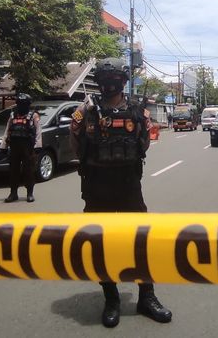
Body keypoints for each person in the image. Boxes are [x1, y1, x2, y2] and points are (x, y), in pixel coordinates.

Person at [69, 57, 172, 328]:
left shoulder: (139, 113)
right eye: (106, 79)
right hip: (96, 186)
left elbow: (143, 144)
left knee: (140, 242)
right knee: (101, 245)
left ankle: (147, 296)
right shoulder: (86, 110)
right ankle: (111, 298)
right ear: (100, 82)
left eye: (114, 79)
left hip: (128, 186)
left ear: (123, 82)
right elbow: (76, 143)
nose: (110, 84)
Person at [0, 93, 42, 203]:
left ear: (28, 104)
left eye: (23, 104)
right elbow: (7, 131)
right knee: (13, 171)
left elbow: (38, 132)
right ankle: (13, 193)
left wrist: (38, 146)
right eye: (19, 103)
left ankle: (29, 193)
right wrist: (3, 146)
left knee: (28, 171)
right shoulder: (13, 115)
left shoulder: (33, 116)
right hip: (14, 146)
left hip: (28, 147)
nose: (21, 106)